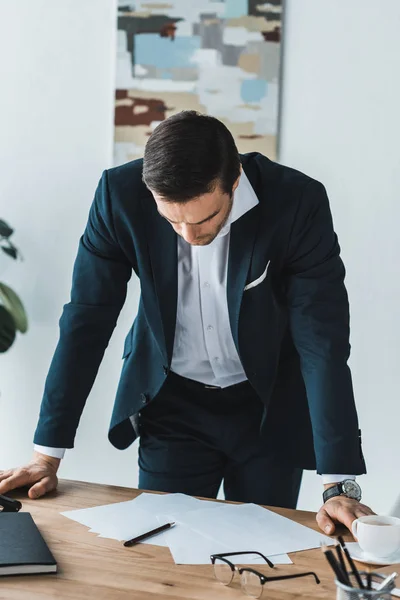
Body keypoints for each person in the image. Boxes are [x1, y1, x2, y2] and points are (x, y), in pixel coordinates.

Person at [0, 111, 373, 534]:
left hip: (268, 407)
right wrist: (46, 457)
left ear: (233, 182)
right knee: (163, 549)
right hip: (172, 405)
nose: (188, 236)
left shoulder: (297, 203)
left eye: (203, 220)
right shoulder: (117, 196)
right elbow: (87, 320)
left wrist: (338, 484)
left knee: (260, 553)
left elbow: (321, 342)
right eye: (171, 221)